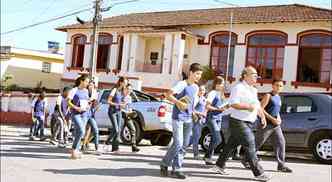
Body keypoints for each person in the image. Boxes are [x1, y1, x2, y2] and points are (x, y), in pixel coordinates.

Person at [213, 66, 271, 181]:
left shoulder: (253, 89)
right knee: (250, 144)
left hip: (249, 122)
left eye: (257, 75)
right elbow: (233, 103)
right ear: (245, 75)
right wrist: (247, 107)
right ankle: (259, 173)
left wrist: (262, 116)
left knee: (231, 145)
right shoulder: (238, 88)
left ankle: (219, 165)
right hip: (238, 121)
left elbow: (257, 105)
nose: (256, 77)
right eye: (254, 75)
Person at [160, 63, 203, 179]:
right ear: (191, 73)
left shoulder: (196, 87)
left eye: (200, 74)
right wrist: (178, 103)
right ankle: (165, 164)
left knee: (183, 145)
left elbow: (191, 104)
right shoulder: (182, 84)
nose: (199, 76)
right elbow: (168, 95)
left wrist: (193, 113)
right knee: (178, 143)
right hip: (178, 118)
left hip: (188, 119)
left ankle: (176, 169)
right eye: (197, 74)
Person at [255, 79, 292, 173]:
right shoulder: (268, 95)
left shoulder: (278, 97)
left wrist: (279, 119)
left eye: (280, 86)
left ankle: (281, 165)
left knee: (281, 143)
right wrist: (272, 119)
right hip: (266, 125)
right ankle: (246, 159)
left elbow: (276, 111)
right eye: (277, 85)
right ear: (272, 86)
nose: (278, 87)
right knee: (257, 143)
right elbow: (261, 109)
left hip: (276, 126)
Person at [204, 76, 229, 165]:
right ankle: (207, 155)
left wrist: (226, 107)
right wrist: (218, 109)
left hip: (219, 118)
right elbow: (207, 106)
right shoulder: (213, 93)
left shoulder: (221, 94)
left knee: (216, 139)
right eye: (221, 84)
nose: (223, 86)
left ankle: (208, 157)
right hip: (211, 118)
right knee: (218, 139)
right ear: (217, 84)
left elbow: (222, 106)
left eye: (223, 84)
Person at [68, 74, 90, 159]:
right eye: (86, 82)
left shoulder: (86, 91)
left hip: (84, 113)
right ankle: (74, 149)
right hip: (76, 113)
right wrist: (76, 108)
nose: (87, 84)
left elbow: (87, 101)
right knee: (81, 130)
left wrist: (88, 106)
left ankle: (75, 151)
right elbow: (69, 102)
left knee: (80, 132)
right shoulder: (74, 90)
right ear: (82, 81)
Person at [106, 76, 128, 153]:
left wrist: (123, 104)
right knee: (116, 129)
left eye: (126, 83)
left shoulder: (122, 91)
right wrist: (118, 104)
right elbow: (108, 101)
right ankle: (107, 141)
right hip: (112, 111)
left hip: (119, 111)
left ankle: (115, 148)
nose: (125, 84)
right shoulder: (114, 90)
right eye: (125, 83)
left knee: (118, 130)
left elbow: (122, 102)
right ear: (121, 82)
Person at [81, 80, 102, 155]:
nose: (91, 86)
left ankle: (97, 148)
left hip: (91, 115)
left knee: (95, 130)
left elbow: (95, 106)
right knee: (84, 131)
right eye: (89, 85)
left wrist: (97, 106)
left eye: (92, 85)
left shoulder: (95, 94)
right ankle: (82, 145)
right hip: (84, 114)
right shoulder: (84, 92)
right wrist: (88, 101)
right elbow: (82, 103)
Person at [122, 83, 140, 152]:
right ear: (125, 89)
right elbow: (120, 106)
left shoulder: (129, 98)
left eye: (130, 89)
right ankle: (109, 144)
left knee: (133, 129)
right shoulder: (122, 96)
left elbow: (129, 107)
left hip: (128, 116)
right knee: (117, 131)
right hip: (122, 115)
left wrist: (132, 112)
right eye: (128, 89)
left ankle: (133, 146)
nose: (129, 90)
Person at [192, 85, 207, 160]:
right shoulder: (196, 98)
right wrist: (201, 114)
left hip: (201, 121)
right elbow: (192, 110)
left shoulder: (204, 99)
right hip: (195, 120)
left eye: (203, 90)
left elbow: (205, 109)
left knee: (196, 137)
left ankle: (181, 150)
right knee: (196, 137)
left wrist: (205, 114)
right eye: (200, 90)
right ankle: (196, 154)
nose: (201, 91)